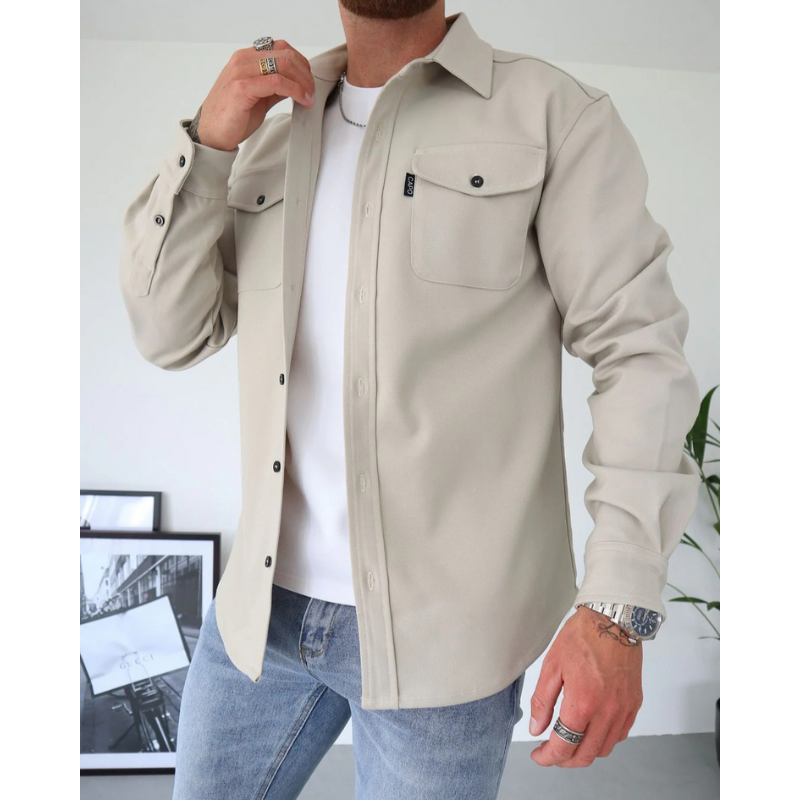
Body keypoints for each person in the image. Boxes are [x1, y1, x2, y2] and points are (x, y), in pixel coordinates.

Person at [118, 2, 702, 797]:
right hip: (259, 617)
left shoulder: (553, 116)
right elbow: (169, 334)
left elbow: (639, 351)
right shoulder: (271, 135)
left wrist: (615, 609)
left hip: (446, 642)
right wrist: (209, 147)